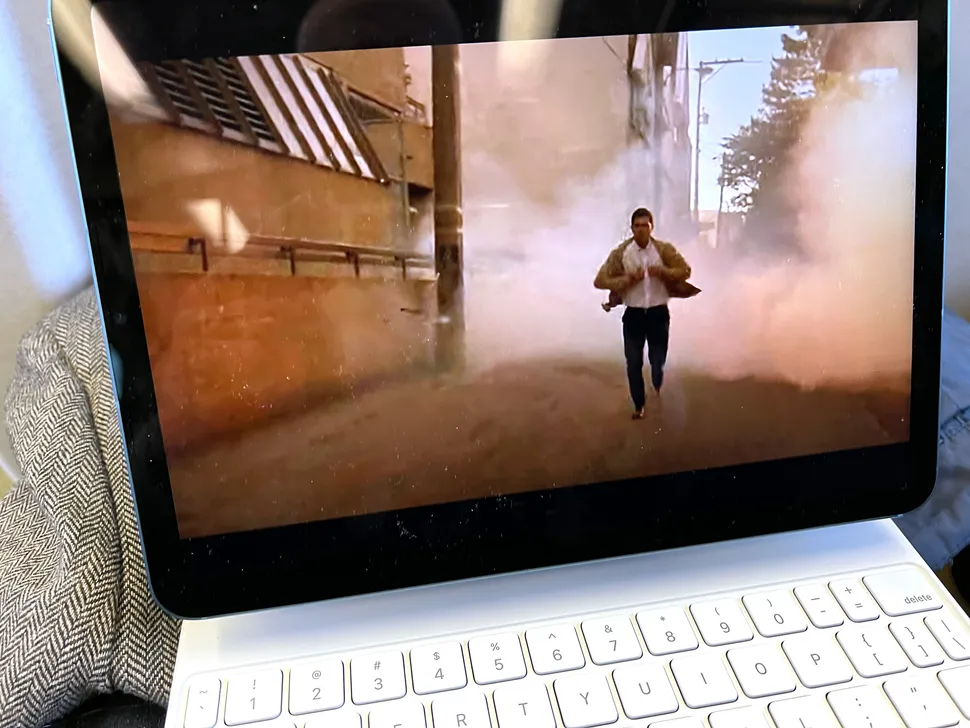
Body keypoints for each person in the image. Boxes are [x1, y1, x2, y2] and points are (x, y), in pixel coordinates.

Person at [594, 208, 700, 419]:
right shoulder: (621, 253)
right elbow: (600, 280)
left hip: (658, 314)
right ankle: (638, 405)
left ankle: (657, 379)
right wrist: (626, 280)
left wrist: (663, 272)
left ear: (652, 227)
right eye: (637, 226)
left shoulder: (663, 250)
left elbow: (685, 270)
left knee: (657, 359)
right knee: (633, 362)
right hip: (633, 315)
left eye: (645, 225)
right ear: (631, 228)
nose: (641, 230)